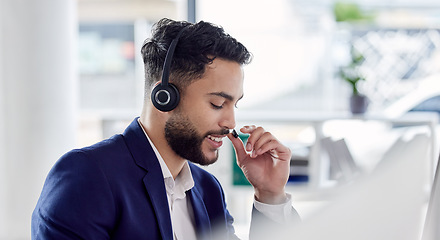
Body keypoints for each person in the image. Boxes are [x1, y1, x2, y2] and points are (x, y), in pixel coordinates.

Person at [31, 18, 300, 240]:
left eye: (234, 105)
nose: (230, 123)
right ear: (165, 96)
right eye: (218, 103)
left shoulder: (207, 190)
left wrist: (270, 195)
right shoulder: (87, 176)